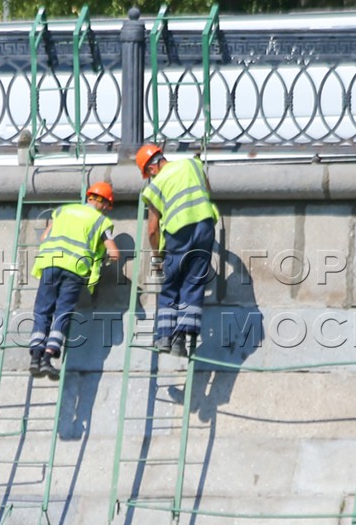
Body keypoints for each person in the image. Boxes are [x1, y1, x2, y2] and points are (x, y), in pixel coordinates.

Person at [27, 181, 120, 379]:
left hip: (50, 263)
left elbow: (44, 237)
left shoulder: (62, 211)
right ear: (104, 203)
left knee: (43, 310)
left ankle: (35, 356)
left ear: (89, 197)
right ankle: (48, 358)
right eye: (107, 206)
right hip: (75, 269)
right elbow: (114, 253)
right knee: (62, 312)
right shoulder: (101, 221)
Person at [136, 143, 219, 358]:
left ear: (151, 169)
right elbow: (207, 190)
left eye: (148, 174)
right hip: (205, 226)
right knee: (193, 281)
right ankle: (181, 337)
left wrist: (157, 256)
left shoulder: (155, 185)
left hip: (178, 232)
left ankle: (164, 337)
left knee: (171, 284)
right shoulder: (192, 163)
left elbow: (153, 230)